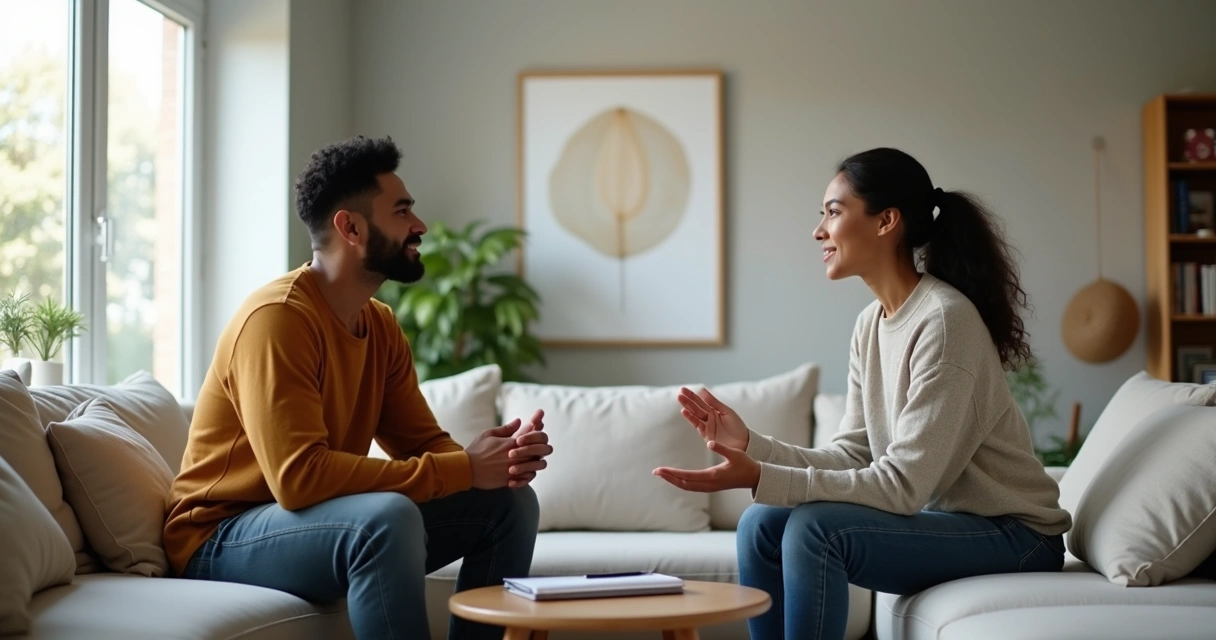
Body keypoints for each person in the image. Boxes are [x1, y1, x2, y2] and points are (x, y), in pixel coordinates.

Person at [653, 147, 1071, 640]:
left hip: (1014, 536)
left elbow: (902, 486)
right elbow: (854, 452)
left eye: (833, 212)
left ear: (885, 221)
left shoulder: (944, 321)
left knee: (816, 529)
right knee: (760, 524)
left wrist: (765, 474)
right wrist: (753, 448)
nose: (819, 231)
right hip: (952, 522)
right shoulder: (870, 324)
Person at [163, 135, 552, 640]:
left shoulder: (381, 325)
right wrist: (461, 468)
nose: (420, 227)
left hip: (311, 526)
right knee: (384, 518)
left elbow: (424, 445)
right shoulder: (278, 320)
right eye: (402, 211)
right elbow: (299, 478)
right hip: (219, 537)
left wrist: (492, 463)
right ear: (350, 226)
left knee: (510, 503)